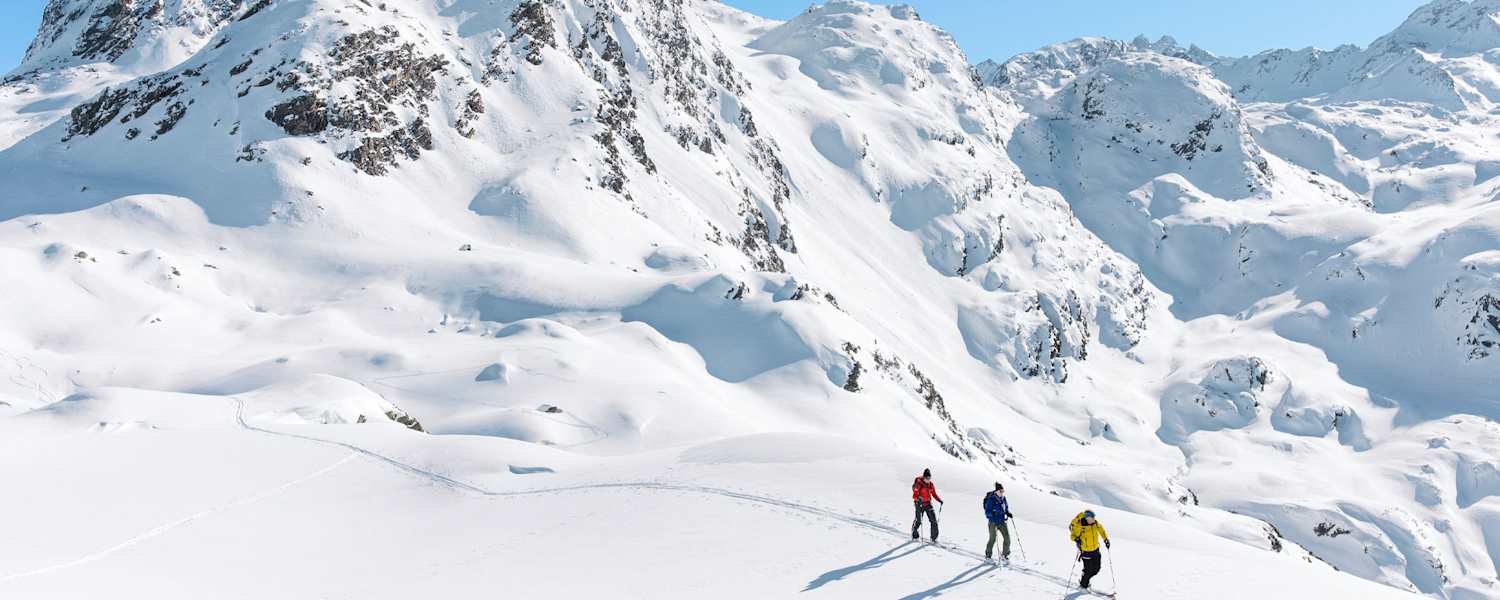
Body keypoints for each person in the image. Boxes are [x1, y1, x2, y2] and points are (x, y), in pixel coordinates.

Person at [1069, 510, 1112, 590]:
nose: (1094, 519)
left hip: (1096, 550)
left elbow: (1101, 530)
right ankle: (1083, 585)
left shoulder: (1095, 524)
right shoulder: (1080, 526)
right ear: (1087, 518)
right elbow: (1072, 536)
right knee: (1088, 570)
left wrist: (1106, 539)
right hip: (1086, 552)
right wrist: (1076, 539)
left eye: (1094, 518)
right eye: (1092, 518)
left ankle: (1085, 578)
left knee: (1096, 569)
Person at [982, 483, 1013, 561]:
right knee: (992, 539)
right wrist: (992, 513)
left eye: (1003, 491)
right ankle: (988, 555)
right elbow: (987, 513)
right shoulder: (991, 500)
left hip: (1002, 521)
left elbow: (1005, 508)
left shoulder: (1003, 498)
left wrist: (1008, 513)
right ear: (996, 491)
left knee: (1007, 538)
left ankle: (1005, 555)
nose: (1002, 492)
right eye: (1001, 491)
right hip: (993, 522)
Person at [911, 468, 943, 542]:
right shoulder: (918, 484)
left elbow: (934, 494)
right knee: (918, 520)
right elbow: (914, 496)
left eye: (929, 478)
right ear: (923, 477)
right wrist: (918, 498)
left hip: (928, 504)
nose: (928, 480)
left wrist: (939, 500)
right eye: (926, 478)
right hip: (919, 504)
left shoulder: (930, 484)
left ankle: (934, 538)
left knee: (934, 521)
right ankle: (915, 535)